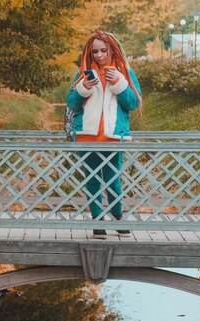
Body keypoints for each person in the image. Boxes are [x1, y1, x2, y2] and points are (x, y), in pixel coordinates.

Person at [66, 31, 142, 239]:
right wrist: (82, 89)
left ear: (113, 49)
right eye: (95, 51)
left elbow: (133, 103)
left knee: (112, 178)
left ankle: (118, 217)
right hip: (86, 135)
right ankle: (98, 221)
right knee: (91, 179)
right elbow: (71, 103)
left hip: (113, 137)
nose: (99, 55)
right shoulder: (83, 73)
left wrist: (119, 84)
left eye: (103, 50)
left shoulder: (125, 72)